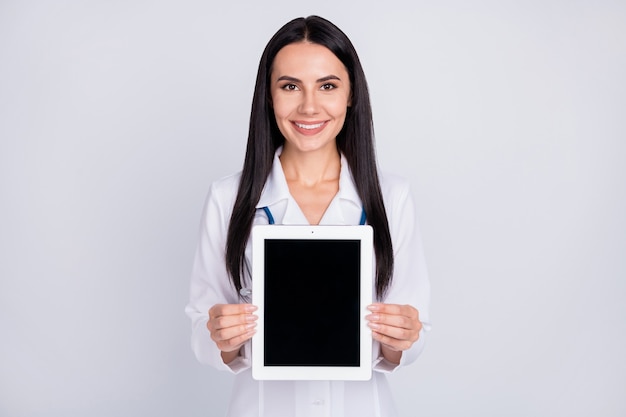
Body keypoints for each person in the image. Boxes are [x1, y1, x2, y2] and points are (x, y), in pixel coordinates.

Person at [185, 15, 431, 417]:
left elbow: (413, 335)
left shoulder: (392, 197)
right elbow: (202, 326)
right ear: (269, 95)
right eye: (290, 86)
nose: (309, 106)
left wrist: (401, 335)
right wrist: (222, 336)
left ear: (351, 94)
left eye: (328, 86)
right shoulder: (227, 198)